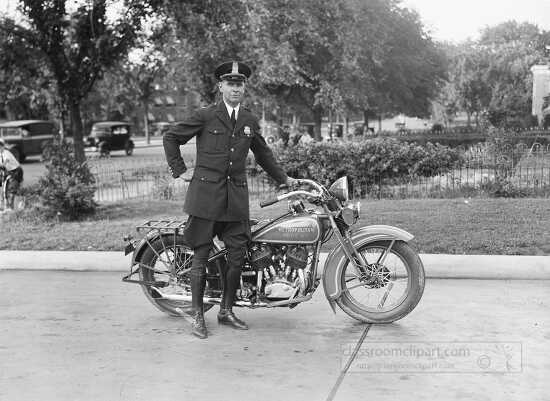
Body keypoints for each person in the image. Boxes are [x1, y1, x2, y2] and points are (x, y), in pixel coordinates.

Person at [163, 61, 297, 339]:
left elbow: (263, 154)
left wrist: (284, 179)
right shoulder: (205, 115)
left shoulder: (249, 120)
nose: (235, 88)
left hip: (235, 198)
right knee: (201, 255)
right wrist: (180, 171)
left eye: (240, 84)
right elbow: (171, 137)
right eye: (230, 83)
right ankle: (198, 315)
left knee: (237, 256)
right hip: (205, 198)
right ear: (221, 86)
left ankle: (225, 310)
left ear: (244, 88)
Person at [0, 139, 24, 211]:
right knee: (7, 188)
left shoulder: (6, 153)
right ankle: (6, 206)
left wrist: (2, 166)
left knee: (12, 188)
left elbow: (5, 162)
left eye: (0, 146)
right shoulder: (1, 154)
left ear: (3, 146)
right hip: (9, 171)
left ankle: (10, 207)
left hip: (16, 171)